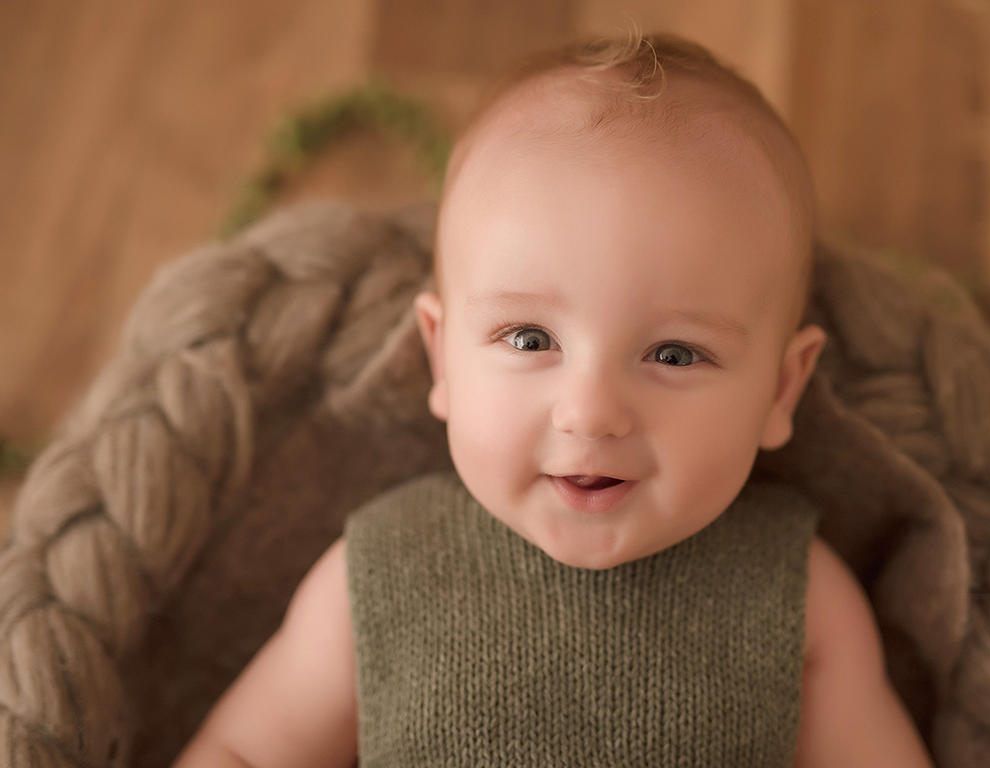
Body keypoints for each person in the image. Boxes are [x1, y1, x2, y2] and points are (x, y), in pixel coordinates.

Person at [175, 34, 934, 768]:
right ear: (441, 357)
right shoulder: (379, 572)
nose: (592, 411)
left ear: (779, 389)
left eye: (674, 354)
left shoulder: (799, 595)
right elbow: (244, 752)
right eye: (530, 340)